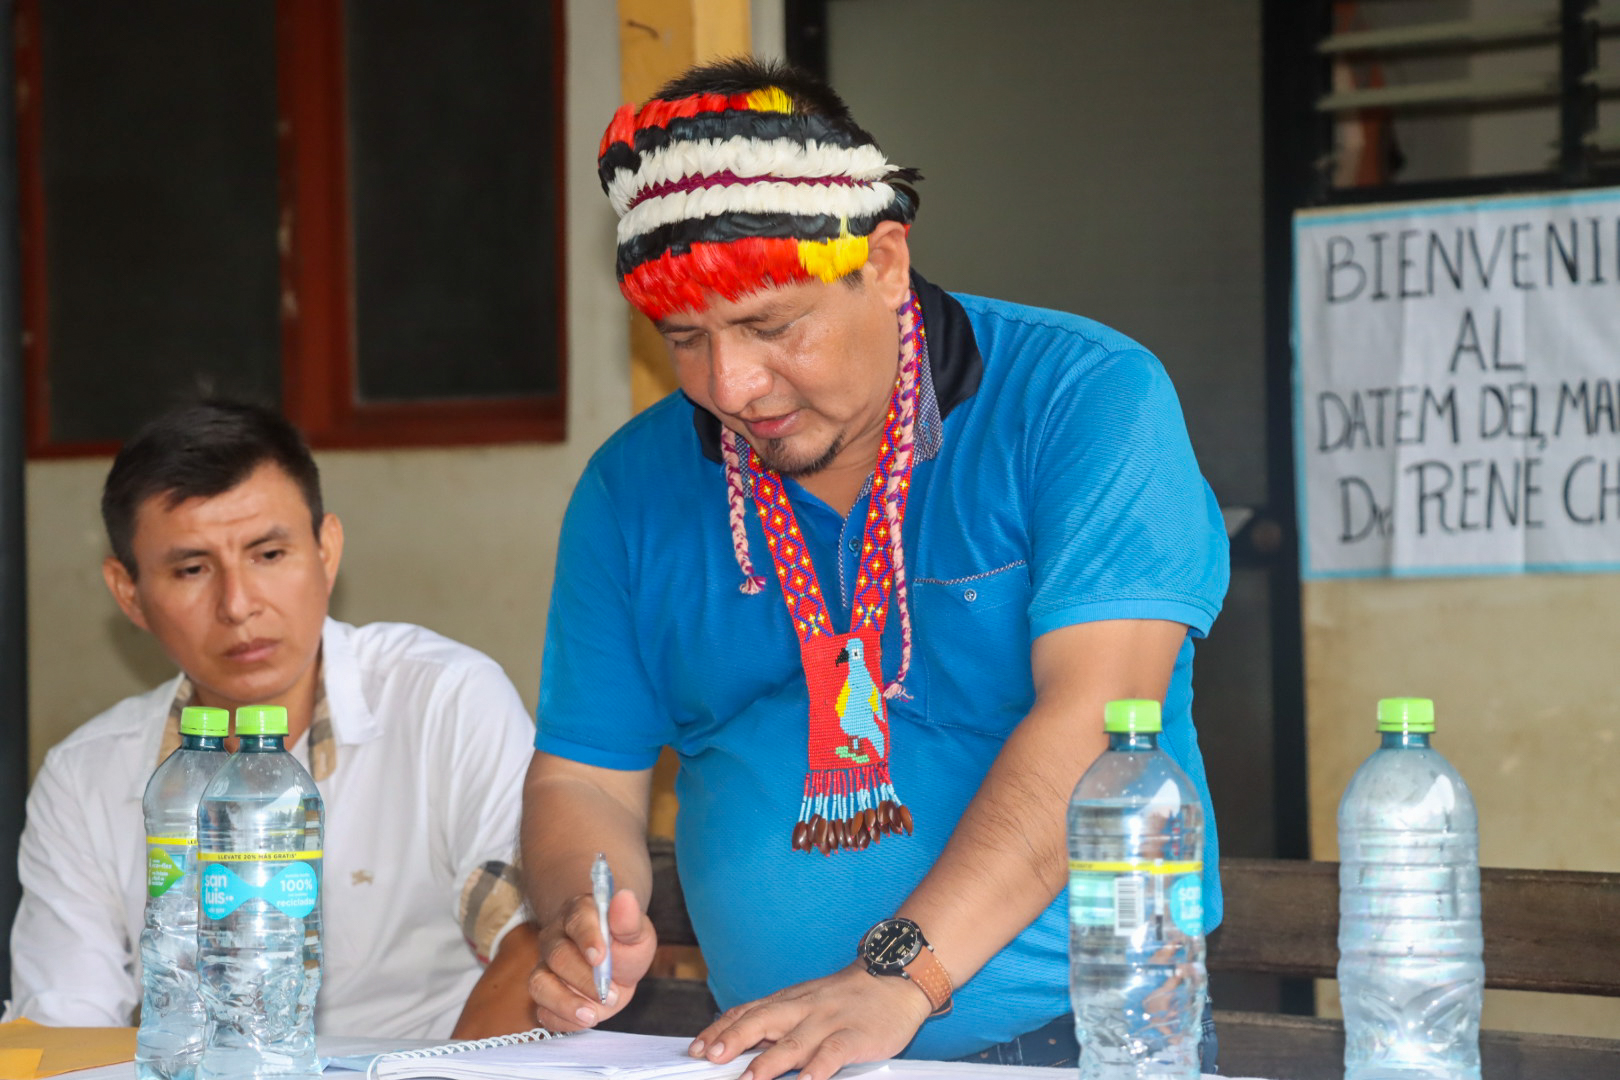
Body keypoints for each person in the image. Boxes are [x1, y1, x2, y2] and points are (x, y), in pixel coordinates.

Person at [522, 57, 1229, 1077]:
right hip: (774, 1052)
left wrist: (896, 975)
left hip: (1086, 1043)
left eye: (771, 326)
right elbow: (585, 774)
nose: (733, 385)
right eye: (686, 339)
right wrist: (584, 913)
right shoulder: (630, 489)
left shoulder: (1084, 400)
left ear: (888, 261)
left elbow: (1093, 731)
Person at [5, 401, 541, 1040]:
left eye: (268, 554)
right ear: (129, 594)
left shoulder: (443, 700)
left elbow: (535, 943)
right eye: (192, 569)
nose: (238, 605)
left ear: (326, 549)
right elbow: (63, 1027)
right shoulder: (85, 777)